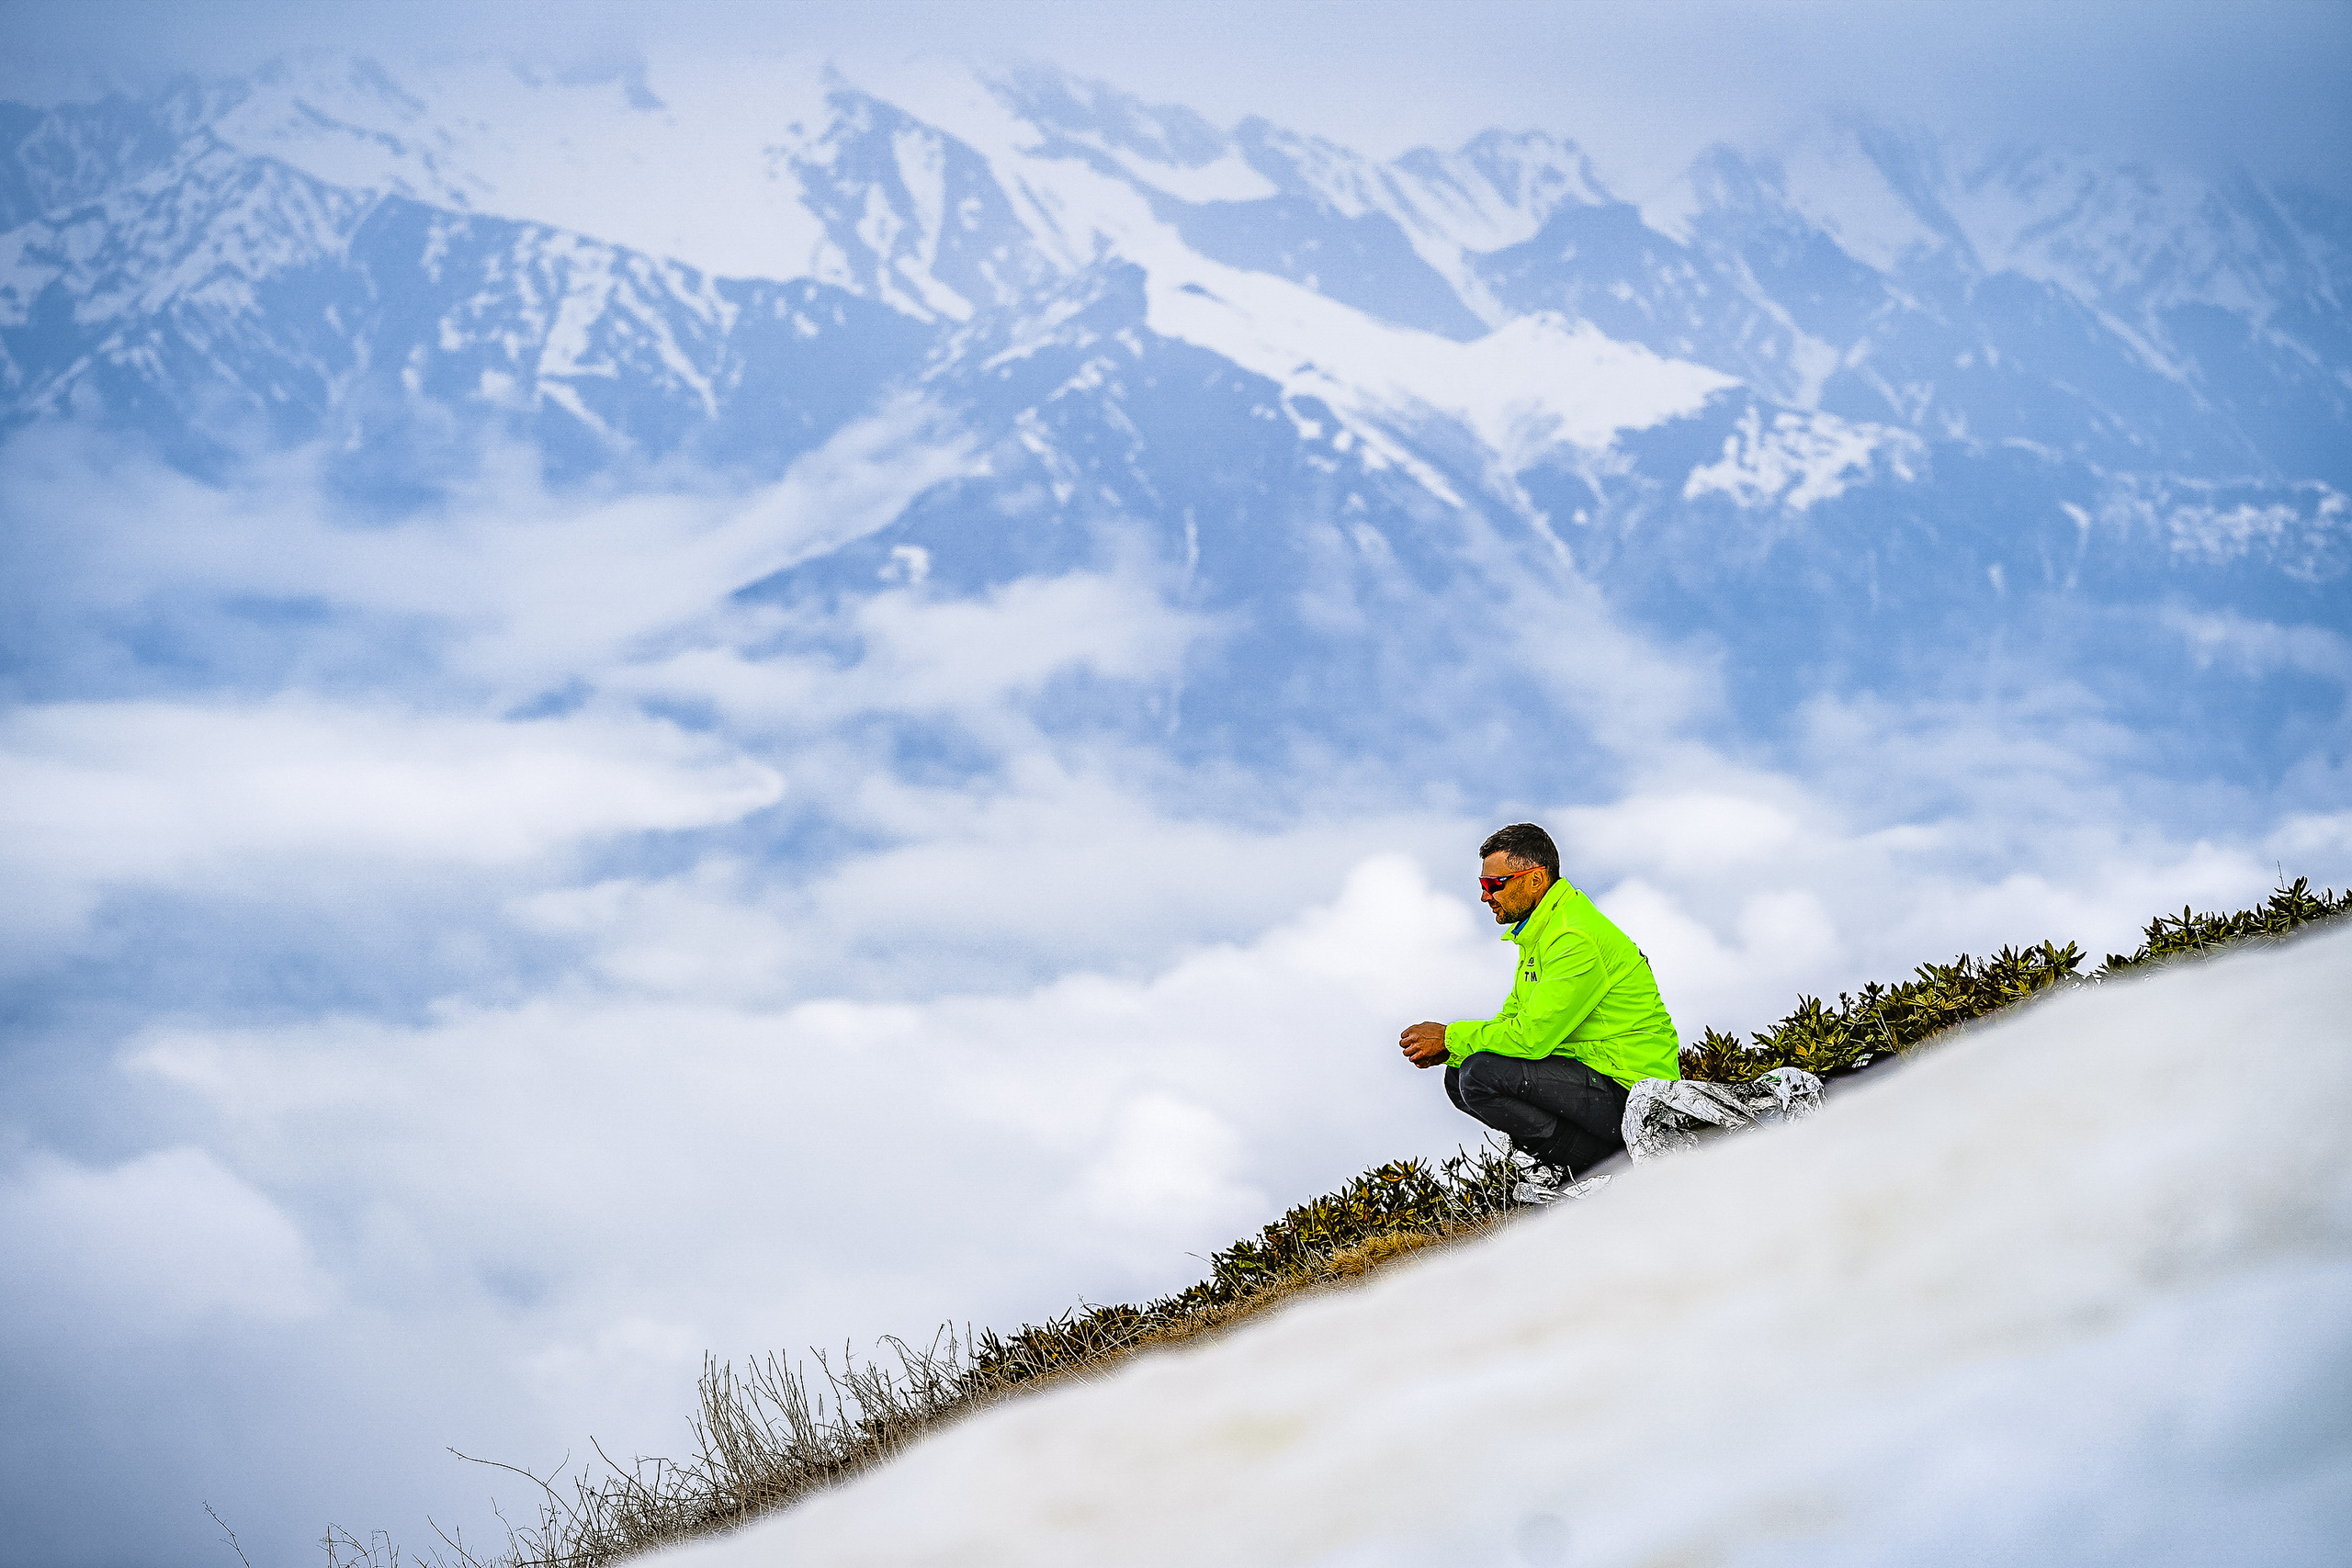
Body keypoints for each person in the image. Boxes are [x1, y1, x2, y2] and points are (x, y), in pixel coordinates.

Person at [1398, 822, 1681, 1199]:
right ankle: (1575, 1162)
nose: (1485, 896)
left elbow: (1532, 1037)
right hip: (1598, 1078)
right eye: (1483, 884)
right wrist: (1452, 1049)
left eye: (1494, 884)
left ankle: (1602, 1165)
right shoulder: (1540, 934)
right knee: (1459, 1074)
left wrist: (1449, 1037)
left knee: (1480, 1075)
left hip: (1635, 1097)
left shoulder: (1573, 937)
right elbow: (1512, 1021)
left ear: (1535, 879)